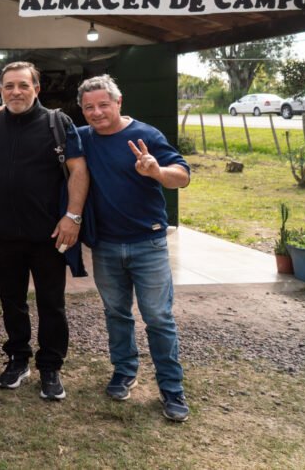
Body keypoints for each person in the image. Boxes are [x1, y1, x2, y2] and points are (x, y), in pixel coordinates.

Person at [77, 74, 191, 422]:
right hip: (106, 246)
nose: (96, 113)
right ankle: (124, 371)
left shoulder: (146, 135)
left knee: (158, 317)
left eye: (103, 105)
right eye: (88, 107)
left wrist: (156, 171)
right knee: (116, 313)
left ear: (119, 102)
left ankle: (171, 389)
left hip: (149, 243)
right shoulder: (82, 139)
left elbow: (182, 176)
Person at [0, 61, 88, 401]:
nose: (16, 91)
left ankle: (51, 367)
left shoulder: (58, 123)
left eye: (23, 85)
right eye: (9, 86)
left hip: (49, 235)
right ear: (0, 91)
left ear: (36, 89)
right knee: (12, 302)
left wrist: (73, 216)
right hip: (6, 235)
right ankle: (18, 359)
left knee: (51, 303)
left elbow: (79, 171)